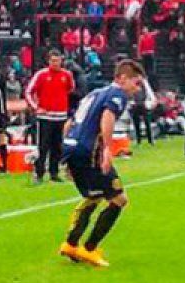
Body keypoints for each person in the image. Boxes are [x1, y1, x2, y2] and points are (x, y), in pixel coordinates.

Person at [58, 60, 147, 268]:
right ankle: (89, 248)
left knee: (94, 195)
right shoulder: (117, 95)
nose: (137, 88)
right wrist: (107, 149)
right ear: (122, 78)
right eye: (136, 82)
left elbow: (70, 122)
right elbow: (107, 117)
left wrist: (66, 156)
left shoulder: (95, 93)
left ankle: (71, 244)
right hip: (90, 151)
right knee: (119, 199)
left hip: (73, 147)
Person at [25, 50, 75, 183]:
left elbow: (70, 89)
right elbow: (29, 91)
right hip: (45, 117)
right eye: (53, 61)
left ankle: (54, 173)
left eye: (57, 60)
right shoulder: (41, 75)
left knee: (57, 146)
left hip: (60, 116)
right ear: (48, 61)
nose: (55, 63)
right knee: (43, 146)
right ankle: (39, 173)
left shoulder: (66, 75)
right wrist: (36, 107)